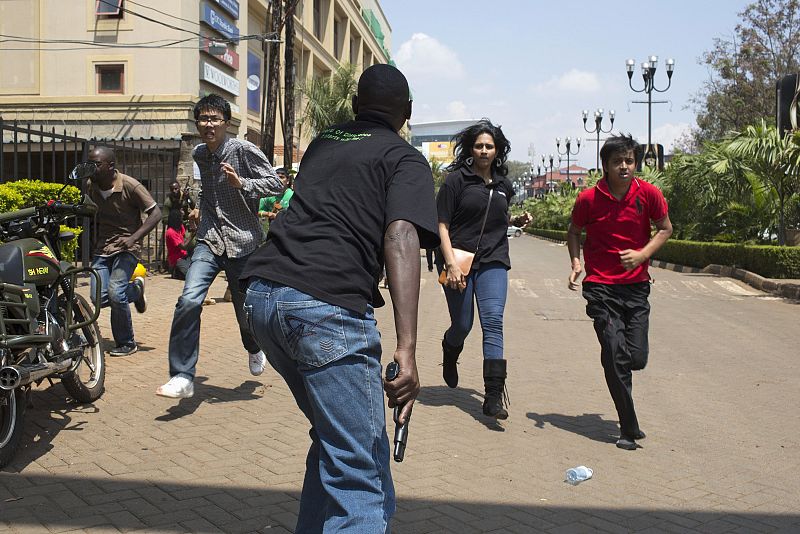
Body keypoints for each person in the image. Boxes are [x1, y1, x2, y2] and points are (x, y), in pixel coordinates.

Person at [240, 64, 439, 532]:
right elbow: (402, 235)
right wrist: (406, 351)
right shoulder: (405, 158)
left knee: (335, 444)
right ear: (406, 113)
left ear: (354, 107)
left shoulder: (323, 144)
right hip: (325, 309)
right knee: (362, 476)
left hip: (264, 297)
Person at [155, 93, 283, 399]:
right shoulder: (200, 153)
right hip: (210, 239)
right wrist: (202, 207)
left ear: (226, 123)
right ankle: (183, 375)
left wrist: (244, 184)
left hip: (243, 240)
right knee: (188, 300)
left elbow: (277, 184)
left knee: (245, 313)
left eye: (214, 119)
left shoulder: (243, 150)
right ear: (197, 123)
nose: (208, 124)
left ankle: (253, 347)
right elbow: (208, 189)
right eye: (203, 119)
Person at [567, 134, 673, 450]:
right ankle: (628, 429)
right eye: (617, 162)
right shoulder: (588, 199)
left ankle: (618, 370)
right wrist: (576, 261)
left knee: (635, 358)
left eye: (629, 160)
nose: (624, 167)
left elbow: (665, 228)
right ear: (605, 166)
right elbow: (574, 231)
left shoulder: (649, 194)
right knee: (614, 351)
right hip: (600, 286)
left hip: (636, 287)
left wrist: (642, 255)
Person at [436, 119, 515, 420]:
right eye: (479, 145)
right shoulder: (456, 181)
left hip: (494, 260)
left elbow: (496, 221)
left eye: (489, 146)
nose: (484, 151)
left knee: (493, 321)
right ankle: (449, 349)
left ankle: (493, 396)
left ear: (497, 150)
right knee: (463, 325)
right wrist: (451, 264)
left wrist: (517, 222)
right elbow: (442, 224)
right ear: (471, 149)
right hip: (459, 262)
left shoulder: (504, 185)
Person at [86, 146, 161, 357]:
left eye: (96, 164)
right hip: (103, 248)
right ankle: (136, 290)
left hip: (127, 248)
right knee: (97, 297)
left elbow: (156, 214)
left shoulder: (130, 185)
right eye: (90, 162)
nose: (91, 167)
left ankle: (126, 342)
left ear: (110, 166)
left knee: (116, 294)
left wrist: (134, 237)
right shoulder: (90, 186)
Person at [164, 208, 194, 280]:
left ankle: (180, 271)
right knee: (190, 276)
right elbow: (183, 246)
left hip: (184, 256)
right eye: (180, 218)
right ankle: (175, 271)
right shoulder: (170, 232)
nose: (182, 220)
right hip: (177, 259)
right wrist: (192, 234)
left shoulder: (180, 228)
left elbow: (184, 240)